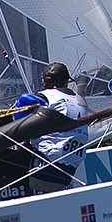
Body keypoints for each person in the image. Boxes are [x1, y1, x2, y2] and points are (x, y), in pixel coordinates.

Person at [28, 62, 89, 191]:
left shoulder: (43, 96)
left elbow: (17, 118)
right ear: (66, 82)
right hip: (69, 170)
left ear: (44, 81)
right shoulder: (80, 100)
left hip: (43, 167)